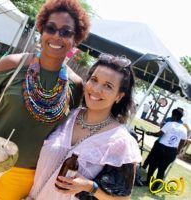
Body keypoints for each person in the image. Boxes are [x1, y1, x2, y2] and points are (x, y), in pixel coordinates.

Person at [0, 0, 90, 199]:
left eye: (66, 32)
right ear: (41, 30)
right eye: (51, 28)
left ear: (76, 39)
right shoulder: (12, 65)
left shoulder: (75, 85)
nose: (56, 36)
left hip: (25, 173)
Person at [28, 53, 142, 199]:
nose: (96, 89)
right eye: (94, 80)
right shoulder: (66, 116)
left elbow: (123, 198)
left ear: (119, 96)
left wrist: (90, 187)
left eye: (108, 86)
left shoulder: (121, 142)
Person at [143, 108, 187, 187]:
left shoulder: (169, 124)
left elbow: (159, 134)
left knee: (152, 166)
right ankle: (156, 187)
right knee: (162, 170)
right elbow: (183, 141)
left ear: (174, 116)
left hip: (160, 148)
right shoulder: (184, 129)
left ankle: (148, 182)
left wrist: (150, 133)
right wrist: (178, 151)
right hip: (171, 151)